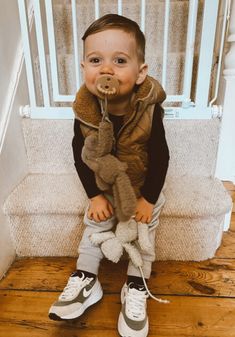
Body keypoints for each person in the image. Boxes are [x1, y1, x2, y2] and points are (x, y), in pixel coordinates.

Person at [49, 13, 169, 337]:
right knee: (94, 223)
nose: (106, 69)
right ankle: (87, 278)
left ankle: (135, 283)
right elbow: (80, 156)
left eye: (119, 60)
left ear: (140, 72)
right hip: (105, 184)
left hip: (142, 185)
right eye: (95, 59)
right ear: (85, 68)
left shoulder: (149, 108)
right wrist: (94, 195)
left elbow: (161, 156)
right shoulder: (84, 111)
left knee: (144, 232)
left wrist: (149, 199)